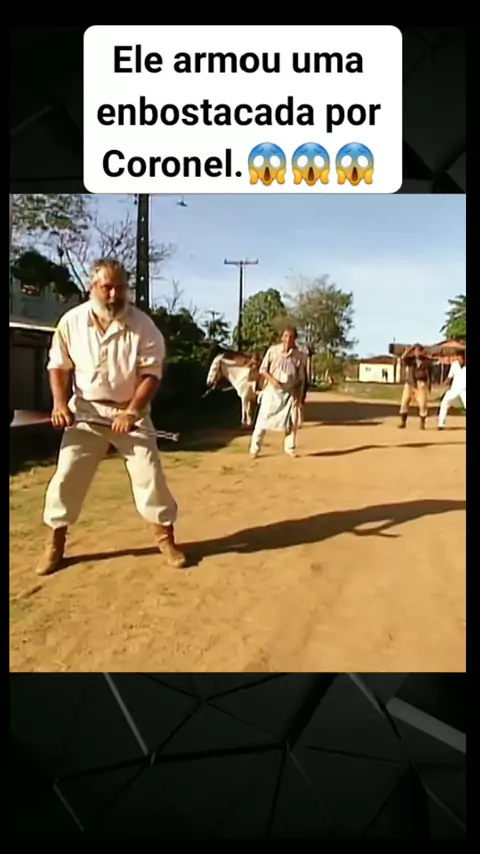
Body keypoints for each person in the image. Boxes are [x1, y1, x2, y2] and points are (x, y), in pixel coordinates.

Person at [35, 258, 186, 576]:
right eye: (107, 287)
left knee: (150, 476)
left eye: (120, 287)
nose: (114, 294)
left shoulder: (143, 325)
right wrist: (60, 404)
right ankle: (54, 544)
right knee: (67, 476)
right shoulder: (71, 322)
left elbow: (151, 374)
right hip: (85, 412)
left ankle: (165, 539)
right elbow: (58, 366)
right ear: (93, 287)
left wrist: (132, 411)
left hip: (131, 413)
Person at [249, 325, 307, 458]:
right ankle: (254, 449)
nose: (288, 339)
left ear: (295, 339)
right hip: (272, 391)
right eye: (285, 336)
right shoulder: (273, 351)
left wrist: (299, 397)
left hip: (289, 393)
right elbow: (263, 369)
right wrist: (272, 380)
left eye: (291, 337)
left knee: (292, 421)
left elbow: (301, 378)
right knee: (262, 419)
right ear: (281, 338)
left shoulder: (299, 356)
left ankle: (290, 448)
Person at [398, 343, 432, 430]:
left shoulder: (426, 361)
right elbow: (403, 357)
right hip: (410, 383)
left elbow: (429, 374)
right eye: (416, 351)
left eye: (419, 351)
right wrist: (409, 350)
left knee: (422, 404)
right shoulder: (410, 360)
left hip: (421, 383)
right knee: (404, 402)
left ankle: (422, 423)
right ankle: (403, 422)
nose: (417, 353)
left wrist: (429, 385)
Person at [438, 349, 466, 430]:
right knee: (444, 403)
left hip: (464, 390)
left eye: (460, 357)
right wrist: (444, 383)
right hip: (454, 389)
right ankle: (441, 424)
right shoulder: (454, 365)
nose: (458, 359)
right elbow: (450, 377)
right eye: (457, 357)